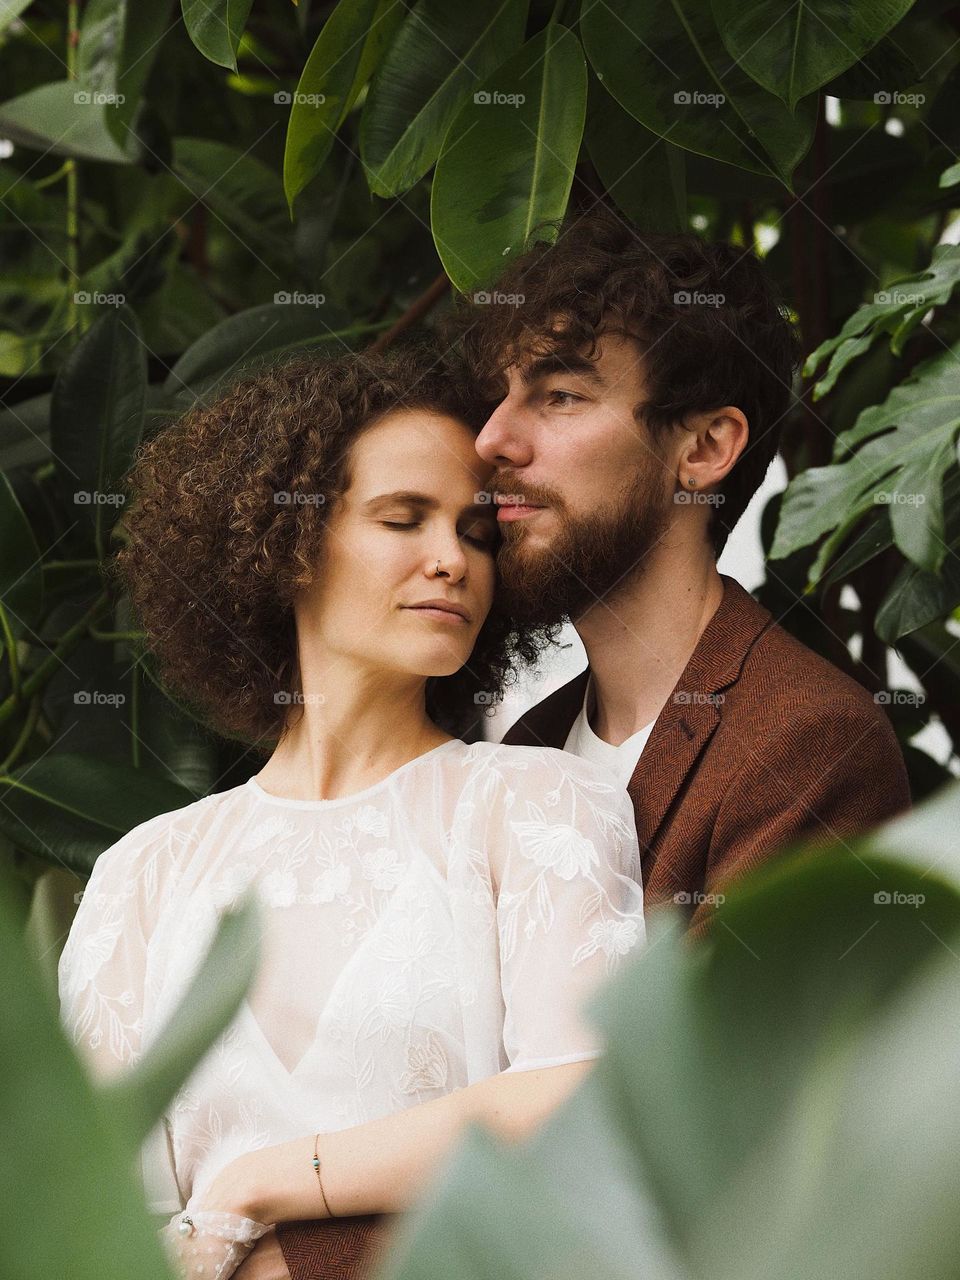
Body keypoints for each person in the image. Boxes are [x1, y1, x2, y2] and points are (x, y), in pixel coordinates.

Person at [270, 203, 912, 1279]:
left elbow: (674, 1156)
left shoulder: (807, 746)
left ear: (703, 447)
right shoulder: (519, 747)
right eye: (501, 395)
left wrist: (292, 1245)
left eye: (559, 394)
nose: (492, 441)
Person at [56, 342, 646, 1280]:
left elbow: (584, 1094)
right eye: (402, 519)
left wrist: (262, 1185)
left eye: (477, 532)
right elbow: (91, 1208)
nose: (451, 560)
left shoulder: (539, 806)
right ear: (283, 545)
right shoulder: (145, 869)